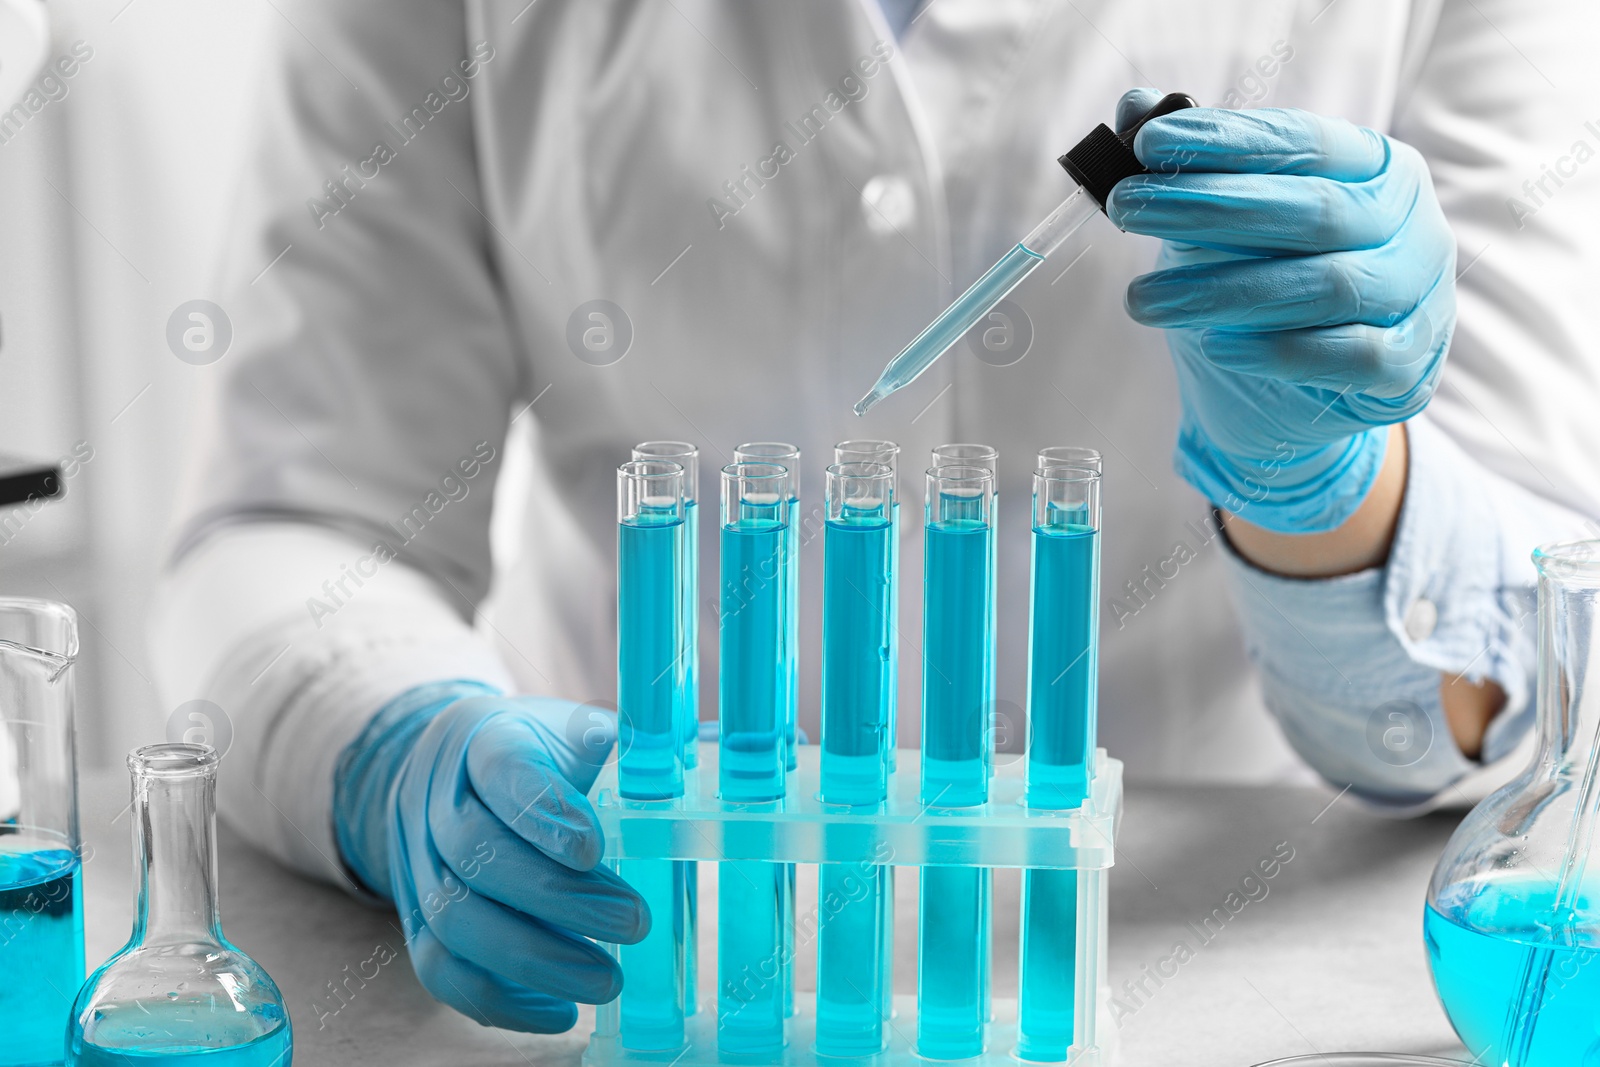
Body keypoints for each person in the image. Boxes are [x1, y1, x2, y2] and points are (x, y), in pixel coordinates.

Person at [150, 0, 1600, 1034]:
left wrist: (1330, 487)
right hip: (658, 947)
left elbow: (1537, 655)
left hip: (1187, 977)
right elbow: (297, 513)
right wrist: (398, 751)